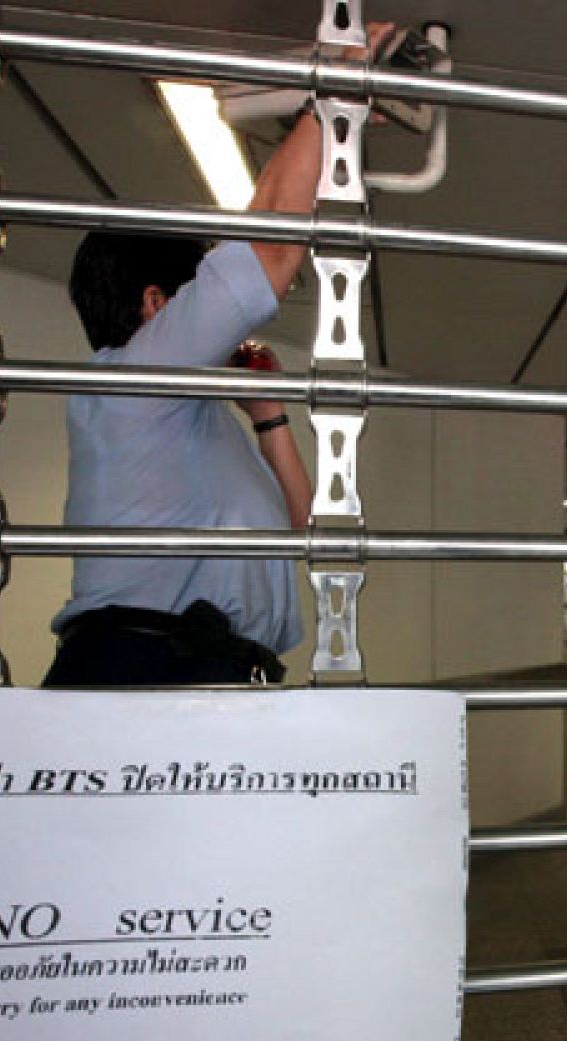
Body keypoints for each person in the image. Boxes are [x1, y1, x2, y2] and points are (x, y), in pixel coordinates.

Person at [43, 21, 391, 688]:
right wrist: (332, 105)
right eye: (194, 289)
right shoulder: (134, 378)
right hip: (144, 671)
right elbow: (269, 251)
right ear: (155, 305)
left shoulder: (188, 418)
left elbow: (297, 531)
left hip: (207, 671)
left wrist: (267, 418)